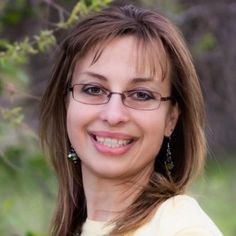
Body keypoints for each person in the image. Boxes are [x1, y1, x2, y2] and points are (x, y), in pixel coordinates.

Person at [39, 3, 223, 236]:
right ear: (66, 102)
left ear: (171, 119)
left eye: (141, 94)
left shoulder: (183, 228)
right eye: (94, 89)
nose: (113, 115)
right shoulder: (79, 228)